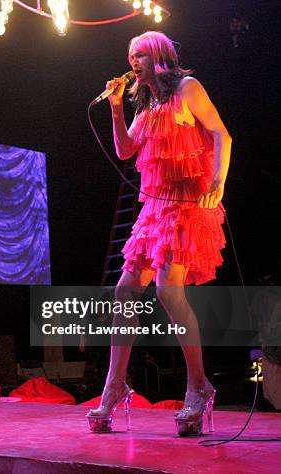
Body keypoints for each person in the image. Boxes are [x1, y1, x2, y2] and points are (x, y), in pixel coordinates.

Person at [86, 31, 231, 436]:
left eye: (141, 54)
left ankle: (199, 386)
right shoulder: (147, 105)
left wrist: (217, 181)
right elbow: (126, 150)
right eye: (130, 55)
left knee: (169, 291)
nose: (133, 60)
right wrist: (116, 108)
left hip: (186, 205)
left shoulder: (187, 89)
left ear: (160, 57)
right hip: (154, 208)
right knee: (125, 291)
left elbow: (222, 133)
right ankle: (115, 386)